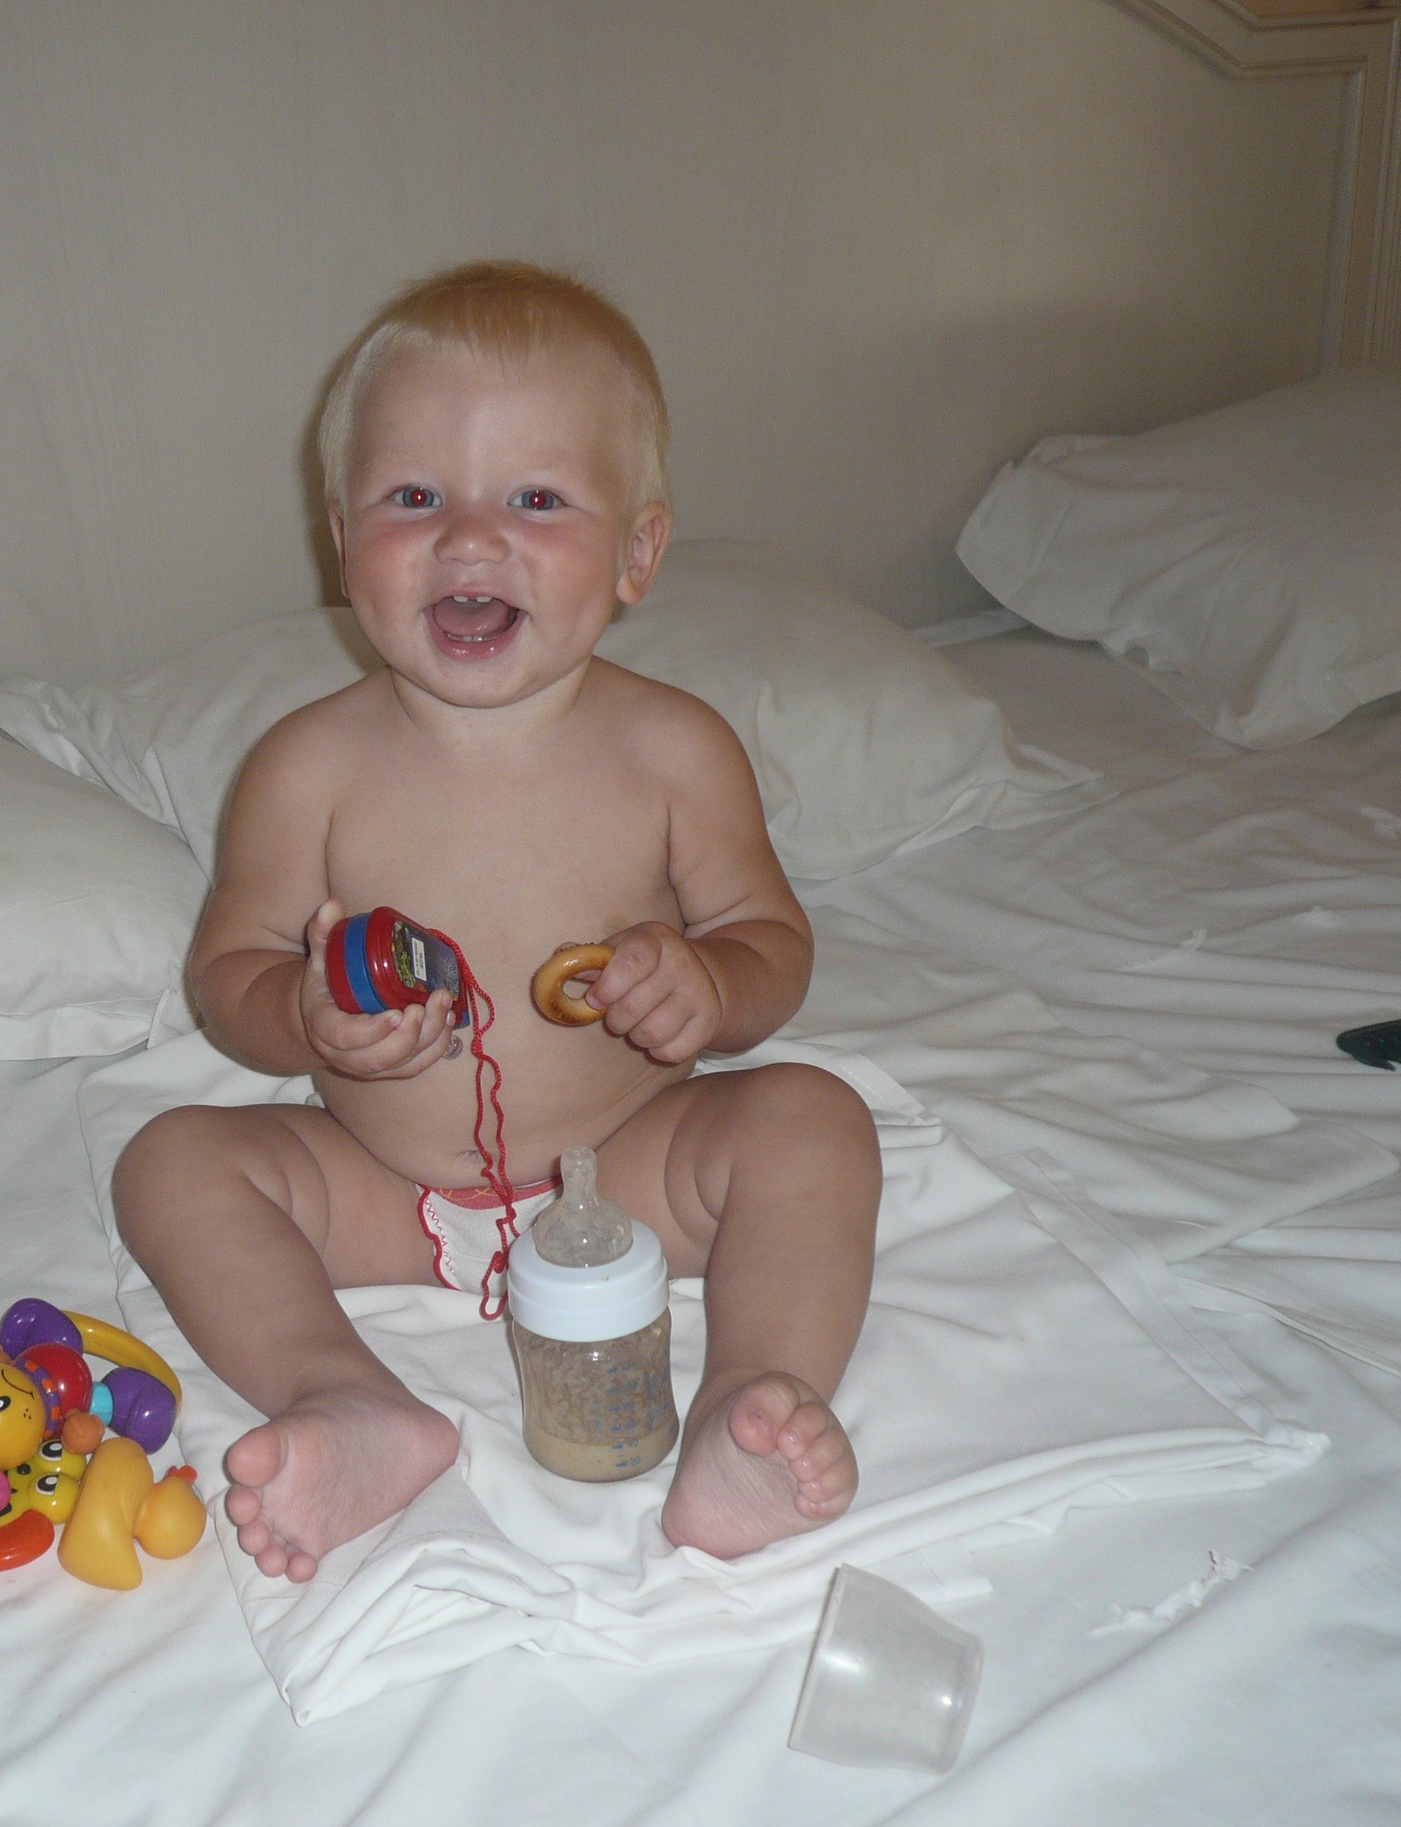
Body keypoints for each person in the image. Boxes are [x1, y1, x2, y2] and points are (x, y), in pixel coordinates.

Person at [112, 261, 881, 1582]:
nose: (469, 540)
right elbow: (228, 976)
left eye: (535, 499)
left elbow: (774, 946)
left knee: (813, 1120)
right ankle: (346, 1397)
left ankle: (745, 1407)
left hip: (625, 1174)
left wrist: (710, 984)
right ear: (341, 539)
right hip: (379, 1184)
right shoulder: (305, 769)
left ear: (638, 553)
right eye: (415, 498)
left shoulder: (676, 753)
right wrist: (303, 1014)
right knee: (170, 1164)